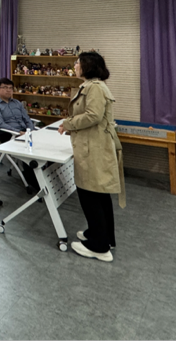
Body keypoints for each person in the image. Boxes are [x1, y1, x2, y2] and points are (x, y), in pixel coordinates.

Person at [58, 52, 124, 263]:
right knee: (99, 194)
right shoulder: (93, 86)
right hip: (94, 147)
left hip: (93, 149)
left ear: (87, 65)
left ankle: (99, 247)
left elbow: (93, 116)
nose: (75, 66)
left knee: (90, 195)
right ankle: (102, 236)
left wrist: (68, 124)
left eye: (77, 63)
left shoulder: (94, 87)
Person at [0, 77, 39, 192]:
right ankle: (35, 182)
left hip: (25, 132)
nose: (8, 90)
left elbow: (27, 118)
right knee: (29, 153)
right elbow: (1, 125)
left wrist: (30, 130)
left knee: (45, 146)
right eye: (5, 87)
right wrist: (19, 133)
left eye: (10, 88)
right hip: (9, 135)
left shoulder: (16, 103)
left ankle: (47, 175)